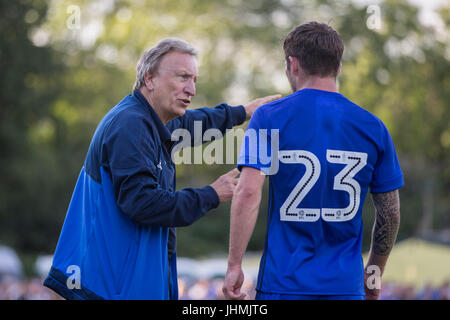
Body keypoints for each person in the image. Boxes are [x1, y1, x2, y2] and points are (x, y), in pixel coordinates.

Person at [43, 38, 280, 300]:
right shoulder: (130, 124)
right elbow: (144, 203)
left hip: (117, 282)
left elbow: (193, 122)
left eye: (194, 80)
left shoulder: (151, 119)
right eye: (182, 77)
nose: (191, 89)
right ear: (150, 79)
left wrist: (243, 112)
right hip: (103, 286)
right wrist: (212, 194)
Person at [222, 22, 403, 300]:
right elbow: (390, 213)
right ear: (338, 66)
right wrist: (373, 276)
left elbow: (247, 192)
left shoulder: (269, 117)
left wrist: (234, 265)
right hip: (345, 287)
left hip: (283, 284)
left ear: (293, 65)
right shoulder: (373, 127)